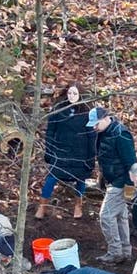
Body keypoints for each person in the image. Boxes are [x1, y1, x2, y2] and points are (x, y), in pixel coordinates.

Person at [38, 84, 96, 220]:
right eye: (70, 93)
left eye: (75, 94)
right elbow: (50, 132)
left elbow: (92, 136)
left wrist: (91, 157)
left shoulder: (86, 113)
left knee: (80, 179)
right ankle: (42, 206)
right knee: (51, 178)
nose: (72, 96)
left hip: (80, 152)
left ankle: (78, 206)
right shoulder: (58, 110)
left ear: (80, 95)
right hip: (61, 151)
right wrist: (50, 151)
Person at [88, 107, 137, 264]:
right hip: (112, 180)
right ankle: (125, 250)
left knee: (106, 216)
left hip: (121, 182)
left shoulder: (121, 135)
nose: (94, 128)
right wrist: (102, 180)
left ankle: (115, 252)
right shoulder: (103, 133)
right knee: (120, 216)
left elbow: (131, 163)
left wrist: (130, 189)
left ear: (105, 118)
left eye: (96, 124)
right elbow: (104, 159)